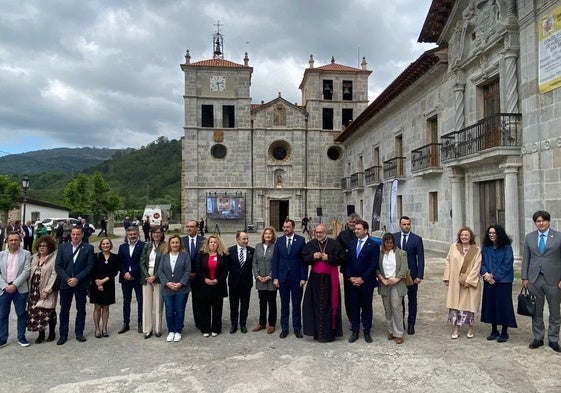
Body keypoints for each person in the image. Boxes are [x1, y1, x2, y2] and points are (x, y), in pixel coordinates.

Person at [522, 210, 561, 352]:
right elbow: (526, 258)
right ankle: (538, 337)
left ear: (549, 221)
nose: (541, 223)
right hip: (534, 279)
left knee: (555, 311)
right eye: (538, 221)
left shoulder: (558, 237)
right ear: (535, 223)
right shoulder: (529, 238)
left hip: (554, 280)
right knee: (536, 310)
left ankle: (553, 339)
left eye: (543, 220)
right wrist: (524, 277)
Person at [302, 223, 345, 342]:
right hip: (315, 280)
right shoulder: (311, 244)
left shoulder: (334, 244)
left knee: (329, 305)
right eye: (317, 232)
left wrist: (329, 258)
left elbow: (342, 258)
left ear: (326, 232)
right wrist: (312, 256)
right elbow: (304, 258)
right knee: (314, 305)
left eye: (321, 232)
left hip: (329, 280)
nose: (318, 234)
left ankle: (328, 334)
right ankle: (316, 333)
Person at [54, 226, 94, 345]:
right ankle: (63, 334)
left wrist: (77, 278)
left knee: (81, 309)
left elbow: (89, 266)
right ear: (70, 235)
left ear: (82, 235)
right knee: (64, 310)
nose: (75, 236)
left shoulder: (88, 248)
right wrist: (67, 279)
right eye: (73, 234)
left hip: (81, 284)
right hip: (65, 284)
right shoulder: (63, 247)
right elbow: (58, 266)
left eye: (78, 234)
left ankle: (79, 332)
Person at [480, 224, 517, 343]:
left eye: (494, 233)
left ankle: (504, 331)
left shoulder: (507, 247)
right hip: (489, 281)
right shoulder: (486, 247)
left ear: (499, 234)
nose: (492, 235)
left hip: (503, 281)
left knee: (503, 305)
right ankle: (494, 330)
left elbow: (507, 264)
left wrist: (494, 276)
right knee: (491, 305)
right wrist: (486, 274)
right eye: (490, 233)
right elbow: (482, 263)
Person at [444, 226, 481, 339]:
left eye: (466, 235)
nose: (464, 237)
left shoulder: (476, 250)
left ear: (470, 237)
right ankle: (456, 328)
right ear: (459, 236)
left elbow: (477, 266)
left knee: (469, 306)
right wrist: (447, 277)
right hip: (455, 282)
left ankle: (470, 328)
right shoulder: (454, 247)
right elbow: (448, 261)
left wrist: (468, 280)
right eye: (462, 235)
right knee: (455, 306)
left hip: (469, 283)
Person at [272, 219, 308, 339]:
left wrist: (303, 277)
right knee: (284, 304)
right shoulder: (279, 241)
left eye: (287, 227)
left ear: (293, 227)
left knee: (296, 304)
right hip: (283, 278)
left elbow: (304, 261)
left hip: (296, 278)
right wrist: (275, 277)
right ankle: (285, 328)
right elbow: (275, 260)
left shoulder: (301, 240)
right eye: (284, 227)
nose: (285, 229)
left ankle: (297, 328)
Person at [346, 220, 379, 343]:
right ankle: (355, 331)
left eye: (359, 229)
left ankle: (367, 331)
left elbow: (373, 265)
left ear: (365, 230)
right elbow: (347, 262)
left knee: (366, 307)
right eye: (355, 229)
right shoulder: (352, 244)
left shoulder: (373, 245)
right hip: (353, 282)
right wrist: (350, 277)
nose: (356, 231)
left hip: (366, 282)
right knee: (354, 307)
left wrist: (362, 279)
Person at [393, 216, 424, 335]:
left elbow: (420, 258)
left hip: (412, 275)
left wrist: (419, 275)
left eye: (408, 224)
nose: (406, 226)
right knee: (398, 300)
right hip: (398, 275)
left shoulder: (416, 239)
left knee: (412, 300)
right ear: (400, 225)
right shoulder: (394, 237)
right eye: (404, 224)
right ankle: (400, 323)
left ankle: (411, 324)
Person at [158, 235, 191, 343]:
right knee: (169, 311)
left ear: (180, 243)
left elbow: (187, 271)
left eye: (177, 242)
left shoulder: (185, 255)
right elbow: (160, 271)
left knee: (179, 310)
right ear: (169, 244)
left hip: (181, 288)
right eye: (173, 243)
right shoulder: (164, 255)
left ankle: (178, 331)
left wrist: (181, 283)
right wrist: (166, 283)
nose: (175, 245)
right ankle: (171, 330)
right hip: (167, 288)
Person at [0, 231, 31, 347]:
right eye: (11, 240)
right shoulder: (1, 255)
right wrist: (5, 286)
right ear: (7, 241)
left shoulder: (26, 254)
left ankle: (21, 337)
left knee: (21, 314)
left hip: (20, 289)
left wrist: (15, 285)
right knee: (2, 315)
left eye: (16, 240)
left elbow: (26, 271)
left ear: (20, 241)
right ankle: (2, 338)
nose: (13, 242)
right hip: (4, 289)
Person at [377, 233, 408, 344]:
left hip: (397, 283)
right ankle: (390, 330)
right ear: (384, 243)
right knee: (387, 308)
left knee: (396, 308)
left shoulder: (401, 253)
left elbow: (404, 268)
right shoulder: (380, 254)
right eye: (387, 242)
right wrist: (382, 279)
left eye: (391, 242)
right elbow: (377, 269)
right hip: (385, 283)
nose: (389, 244)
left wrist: (397, 279)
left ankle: (398, 333)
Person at [26, 235, 58, 344]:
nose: (42, 248)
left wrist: (47, 290)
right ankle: (41, 333)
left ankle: (52, 332)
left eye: (44, 246)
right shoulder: (34, 257)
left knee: (48, 310)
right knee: (36, 312)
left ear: (49, 247)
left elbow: (54, 275)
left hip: (46, 289)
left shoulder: (53, 258)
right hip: (34, 289)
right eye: (40, 246)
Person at [196, 235, 229, 337]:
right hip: (204, 285)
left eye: (215, 242)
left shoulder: (223, 255)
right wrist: (205, 279)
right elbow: (198, 268)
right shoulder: (202, 254)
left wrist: (217, 280)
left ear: (218, 244)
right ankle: (205, 329)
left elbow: (225, 270)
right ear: (208, 244)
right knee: (205, 308)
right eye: (211, 242)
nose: (213, 244)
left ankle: (216, 328)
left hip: (218, 285)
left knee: (217, 308)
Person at [89, 237, 120, 338]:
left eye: (107, 244)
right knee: (97, 307)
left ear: (110, 245)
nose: (105, 246)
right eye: (103, 244)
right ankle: (97, 328)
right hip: (96, 284)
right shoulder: (96, 256)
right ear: (100, 246)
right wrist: (98, 282)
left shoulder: (115, 257)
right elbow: (92, 270)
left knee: (106, 307)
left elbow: (115, 271)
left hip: (109, 284)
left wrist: (104, 281)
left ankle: (104, 328)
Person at [117, 226, 145, 334]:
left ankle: (140, 322)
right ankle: (126, 323)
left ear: (137, 234)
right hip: (125, 278)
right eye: (130, 234)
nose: (132, 236)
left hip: (137, 277)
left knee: (140, 300)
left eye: (134, 234)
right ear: (127, 235)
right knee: (126, 301)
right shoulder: (122, 247)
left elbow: (142, 262)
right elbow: (120, 262)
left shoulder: (143, 246)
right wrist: (125, 273)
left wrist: (132, 273)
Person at [140, 226, 165, 339]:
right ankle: (147, 329)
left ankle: (158, 329)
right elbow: (142, 262)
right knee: (147, 303)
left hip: (158, 276)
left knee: (158, 303)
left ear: (161, 234)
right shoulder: (147, 245)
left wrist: (155, 276)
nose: (156, 235)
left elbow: (164, 263)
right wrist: (147, 276)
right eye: (154, 233)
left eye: (158, 232)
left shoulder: (165, 246)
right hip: (147, 276)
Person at [252, 227, 278, 334]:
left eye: (270, 234)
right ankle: (262, 323)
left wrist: (270, 276)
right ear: (263, 235)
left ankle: (272, 324)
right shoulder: (258, 246)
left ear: (273, 236)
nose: (267, 235)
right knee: (262, 302)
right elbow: (254, 262)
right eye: (266, 233)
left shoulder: (276, 247)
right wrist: (257, 275)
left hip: (271, 279)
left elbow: (277, 263)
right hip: (260, 279)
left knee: (272, 302)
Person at [228, 231, 254, 334]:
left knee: (245, 304)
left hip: (246, 283)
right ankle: (234, 324)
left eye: (247, 239)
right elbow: (227, 267)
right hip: (234, 282)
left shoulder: (252, 251)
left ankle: (243, 324)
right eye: (244, 239)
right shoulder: (230, 251)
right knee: (233, 305)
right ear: (238, 239)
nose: (246, 241)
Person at [336, 213, 361, 325]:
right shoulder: (342, 234)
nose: (351, 224)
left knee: (361, 295)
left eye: (354, 222)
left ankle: (361, 316)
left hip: (360, 271)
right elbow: (337, 249)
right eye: (350, 222)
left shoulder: (361, 234)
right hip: (347, 270)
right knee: (349, 296)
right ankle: (352, 319)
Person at [181, 220, 205, 330]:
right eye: (188, 226)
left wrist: (196, 272)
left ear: (197, 228)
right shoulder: (181, 241)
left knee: (198, 301)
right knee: (181, 302)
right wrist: (188, 273)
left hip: (198, 276)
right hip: (183, 276)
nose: (189, 228)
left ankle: (199, 323)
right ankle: (179, 325)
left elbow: (205, 259)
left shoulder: (204, 241)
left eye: (192, 226)